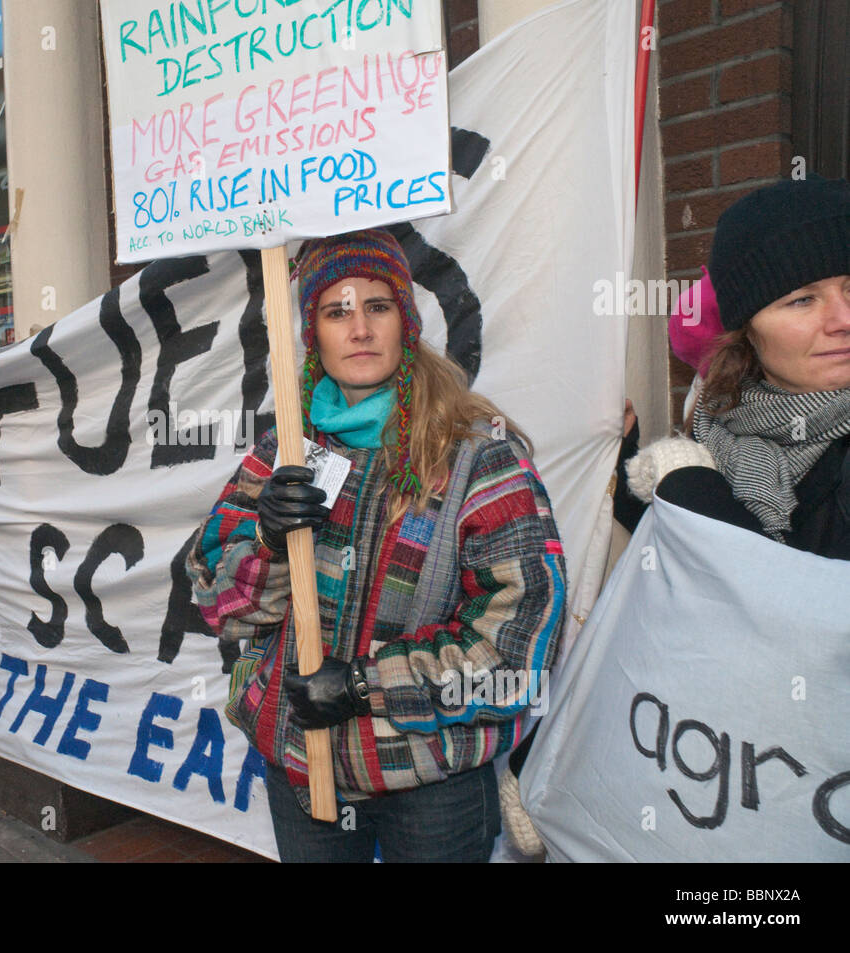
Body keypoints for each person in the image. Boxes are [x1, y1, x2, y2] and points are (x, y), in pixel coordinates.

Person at [186, 229, 567, 862]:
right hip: (301, 768)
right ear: (312, 335)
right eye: (336, 311)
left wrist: (367, 686)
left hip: (430, 785)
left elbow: (518, 651)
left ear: (406, 323)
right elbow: (216, 599)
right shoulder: (283, 453)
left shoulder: (478, 461)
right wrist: (268, 544)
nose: (359, 328)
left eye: (377, 306)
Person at [625, 174, 850, 559]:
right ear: (746, 330)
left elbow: (792, 602)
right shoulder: (721, 423)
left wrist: (687, 489)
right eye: (802, 300)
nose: (842, 319)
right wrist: (624, 455)